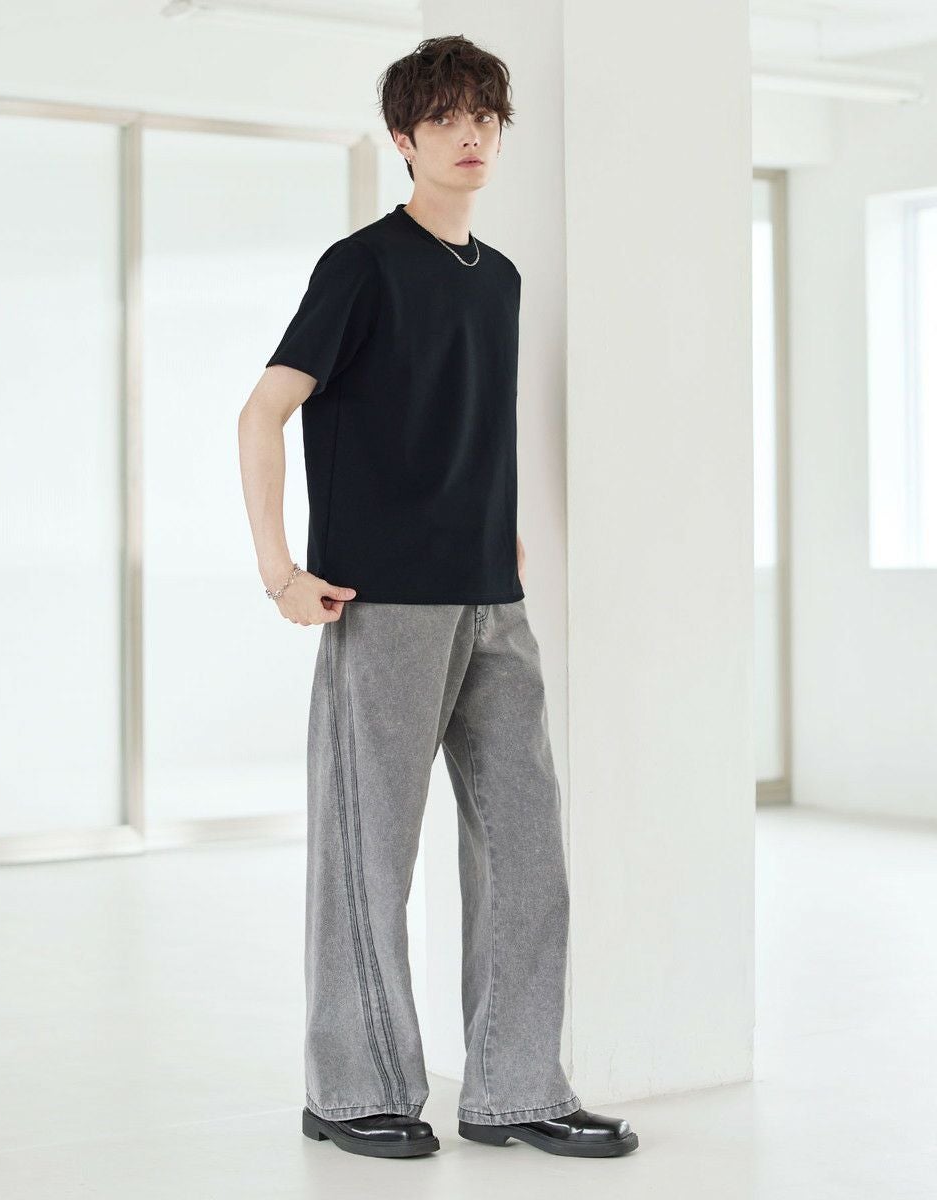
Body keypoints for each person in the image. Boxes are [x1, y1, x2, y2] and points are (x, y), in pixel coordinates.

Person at [238, 34, 639, 1161]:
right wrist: (279, 573)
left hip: (490, 602)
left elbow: (470, 421)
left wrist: (495, 529)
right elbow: (261, 412)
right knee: (369, 858)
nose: (471, 136)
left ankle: (516, 1089)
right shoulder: (360, 265)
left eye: (485, 118)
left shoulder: (498, 277)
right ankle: (351, 1088)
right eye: (447, 118)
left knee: (526, 851)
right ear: (404, 138)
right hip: (381, 606)